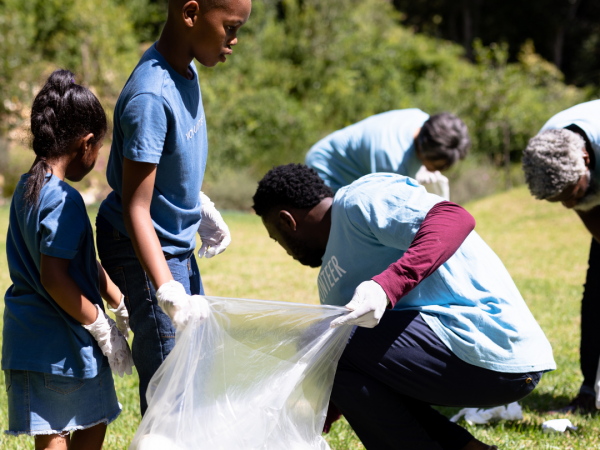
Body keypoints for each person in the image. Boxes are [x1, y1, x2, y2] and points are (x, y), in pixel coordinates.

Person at [252, 164, 555, 450]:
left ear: (286, 221)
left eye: (275, 238)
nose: (284, 249)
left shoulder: (359, 201)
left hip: (494, 347)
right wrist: (321, 409)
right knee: (328, 342)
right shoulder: (330, 284)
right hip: (456, 367)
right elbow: (356, 372)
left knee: (326, 339)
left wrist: (388, 285)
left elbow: (454, 218)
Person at [96, 0, 251, 415]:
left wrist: (195, 205)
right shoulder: (151, 96)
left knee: (194, 367)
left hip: (170, 240)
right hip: (141, 246)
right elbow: (135, 206)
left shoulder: (187, 70)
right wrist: (167, 290)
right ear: (190, 14)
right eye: (230, 28)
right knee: (173, 386)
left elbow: (172, 165)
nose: (235, 41)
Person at [2, 70, 133, 450]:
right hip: (62, 343)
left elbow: (81, 259)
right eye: (99, 149)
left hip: (28, 340)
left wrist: (117, 299)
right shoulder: (64, 199)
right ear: (85, 144)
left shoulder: (27, 188)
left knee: (70, 424)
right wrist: (101, 328)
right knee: (86, 425)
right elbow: (55, 277)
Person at [522, 99, 600, 414]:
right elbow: (584, 205)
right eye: (559, 201)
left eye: (572, 195)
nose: (568, 207)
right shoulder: (547, 147)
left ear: (585, 158)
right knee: (597, 291)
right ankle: (588, 393)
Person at [304, 110, 470, 198]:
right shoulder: (392, 162)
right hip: (327, 168)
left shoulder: (422, 120)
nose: (435, 171)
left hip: (354, 161)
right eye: (436, 166)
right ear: (423, 153)